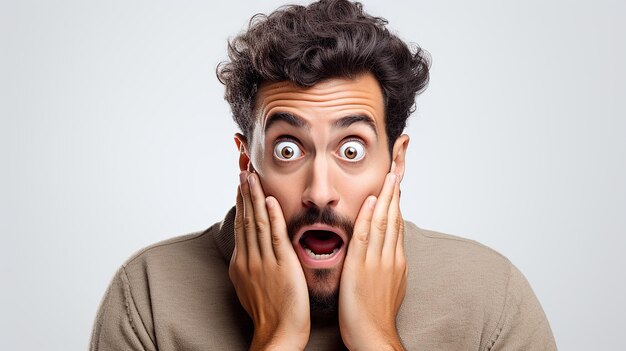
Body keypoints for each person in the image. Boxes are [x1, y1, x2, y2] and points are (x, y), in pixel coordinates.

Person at [90, 1, 556, 350]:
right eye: (288, 149)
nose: (320, 192)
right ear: (246, 164)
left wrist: (376, 337)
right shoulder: (149, 297)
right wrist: (276, 339)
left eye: (351, 149)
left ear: (397, 162)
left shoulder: (489, 299)